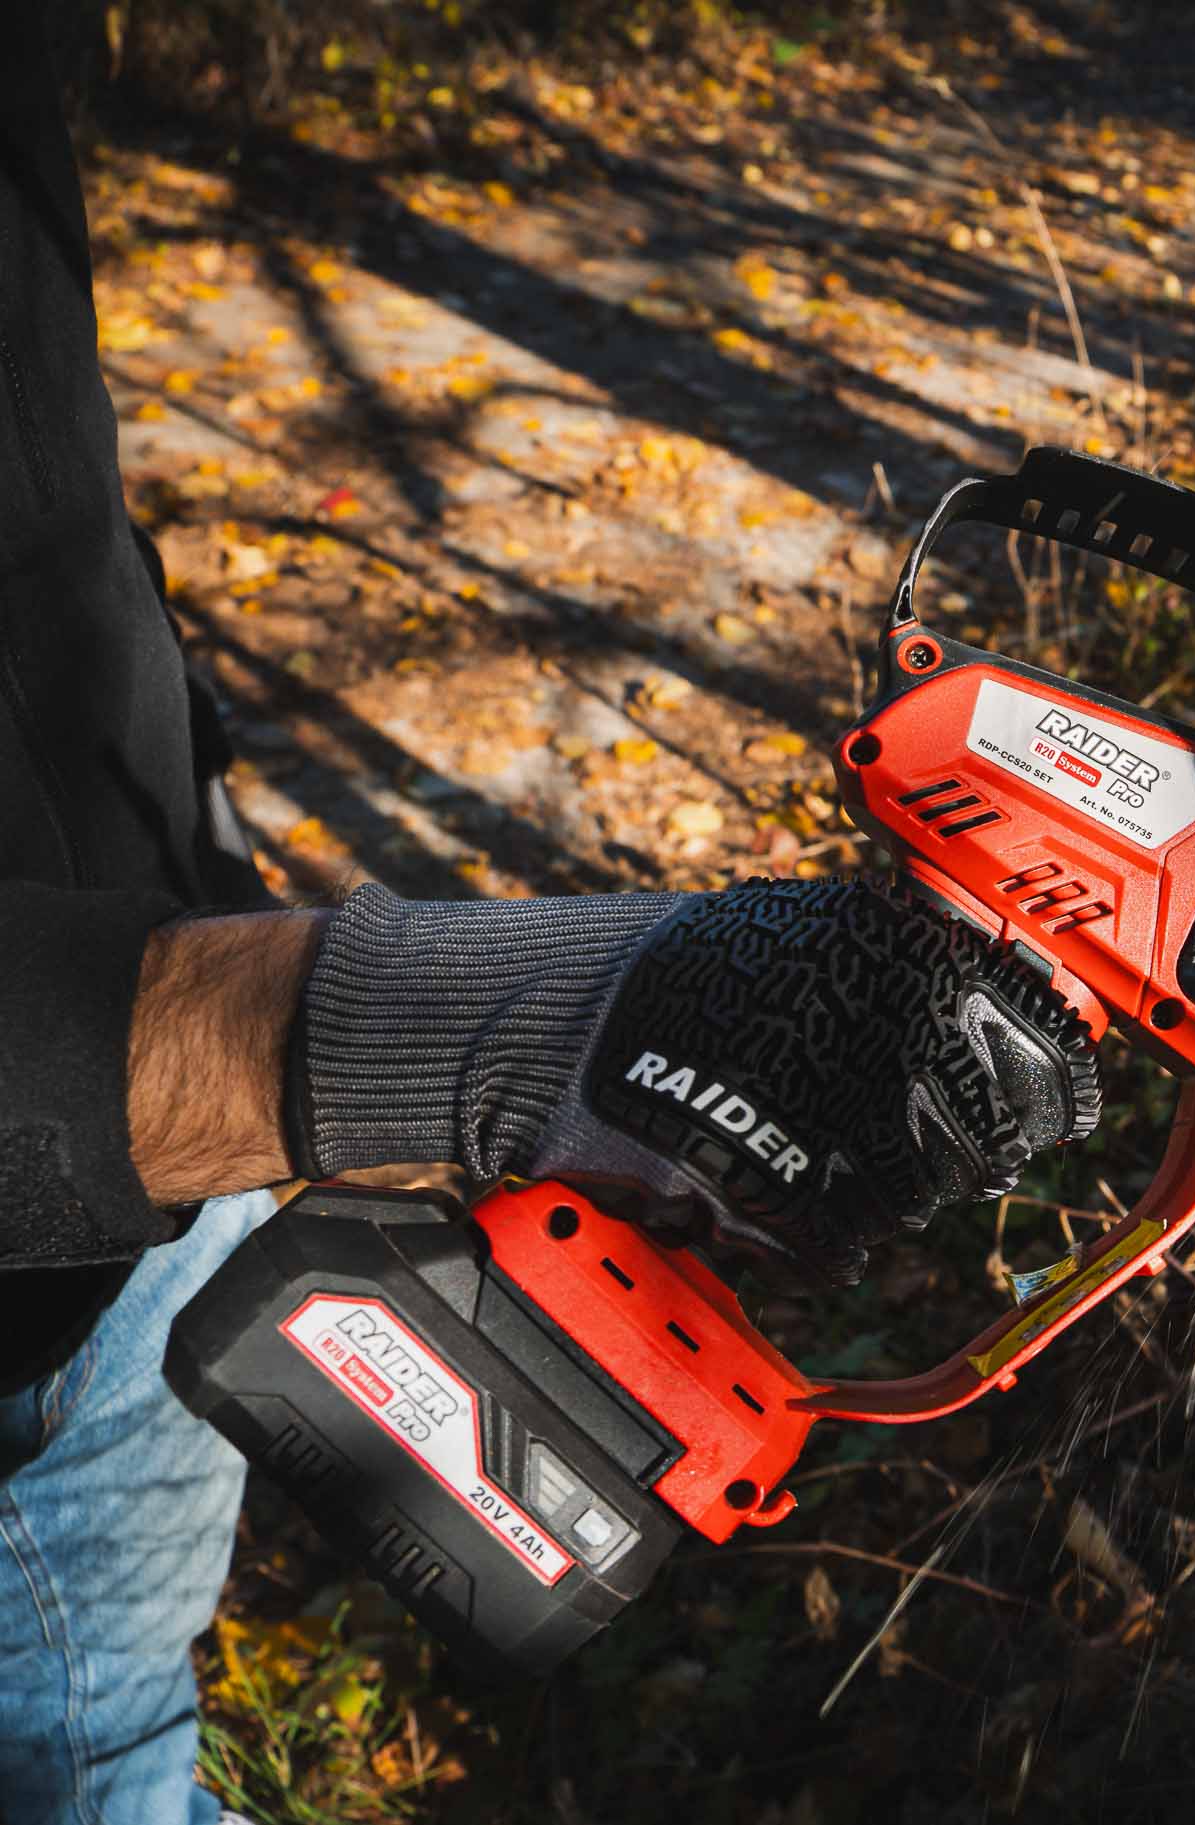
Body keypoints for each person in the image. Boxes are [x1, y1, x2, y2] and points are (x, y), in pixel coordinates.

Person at [0, 44, 1096, 1825]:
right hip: (123, 1094)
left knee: (115, 1735)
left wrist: (177, 824)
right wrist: (453, 1026)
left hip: (148, 1148)